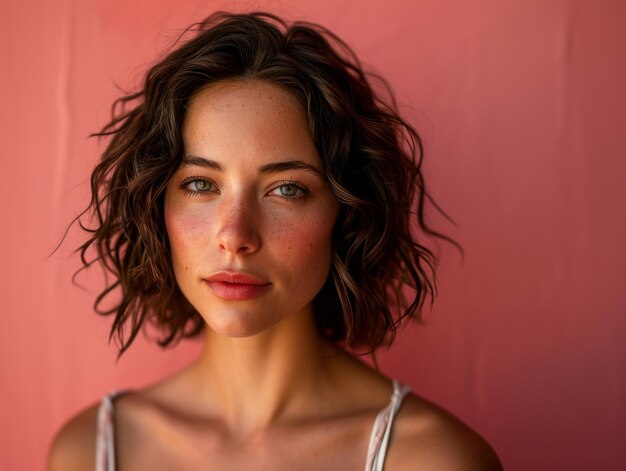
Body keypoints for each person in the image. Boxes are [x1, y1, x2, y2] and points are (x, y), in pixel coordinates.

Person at [48, 12, 502, 470]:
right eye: (201, 184)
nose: (235, 236)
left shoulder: (433, 460)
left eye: (287, 189)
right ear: (156, 205)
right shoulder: (90, 452)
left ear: (346, 214)